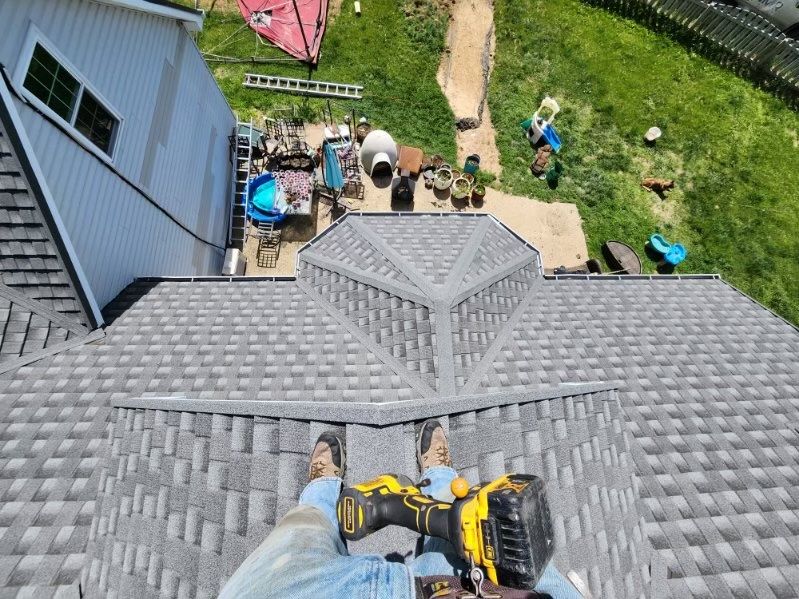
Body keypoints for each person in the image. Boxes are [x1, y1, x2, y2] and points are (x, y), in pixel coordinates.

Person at [219, 420, 584, 599]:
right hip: (501, 587)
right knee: (461, 505)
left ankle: (321, 493)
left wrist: (392, 507)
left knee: (296, 537)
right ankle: (438, 476)